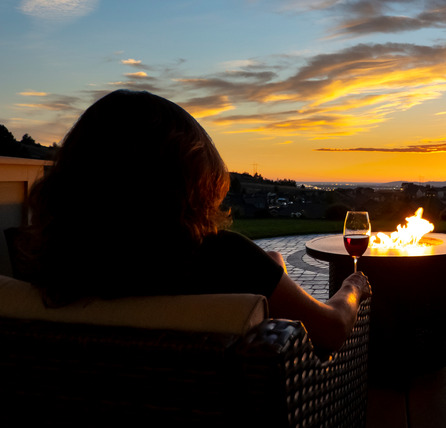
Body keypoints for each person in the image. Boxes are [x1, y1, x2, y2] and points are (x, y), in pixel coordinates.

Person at [15, 89, 370, 353]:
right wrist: (353, 287)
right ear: (183, 182)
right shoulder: (222, 259)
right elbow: (331, 330)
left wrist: (270, 271)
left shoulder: (47, 264)